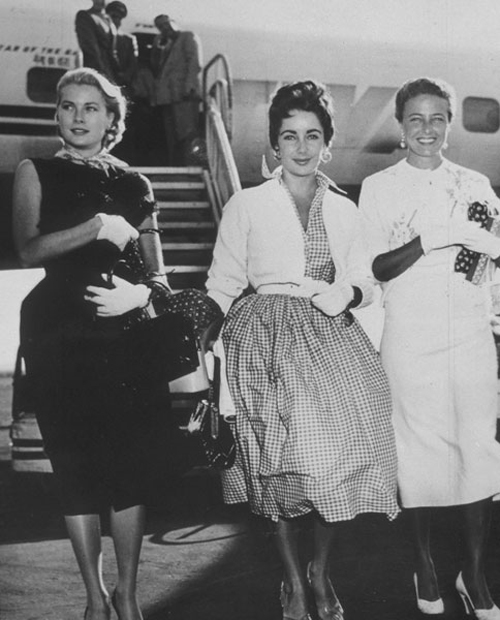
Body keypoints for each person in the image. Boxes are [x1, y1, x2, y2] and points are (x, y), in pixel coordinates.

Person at [205, 80, 399, 620]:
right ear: (274, 144)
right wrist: (205, 344)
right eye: (289, 135)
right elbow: (222, 283)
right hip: (262, 342)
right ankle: (293, 580)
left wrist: (348, 293)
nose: (301, 147)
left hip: (328, 335)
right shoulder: (247, 204)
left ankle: (320, 569)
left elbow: (367, 280)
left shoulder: (344, 208)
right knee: (277, 466)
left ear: (327, 144)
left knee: (329, 464)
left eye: (313, 135)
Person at [12, 67, 189, 620]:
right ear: (57, 114)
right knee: (76, 470)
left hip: (126, 336)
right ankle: (94, 597)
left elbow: (159, 275)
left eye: (91, 107)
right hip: (59, 336)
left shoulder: (137, 183)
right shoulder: (35, 170)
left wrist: (141, 296)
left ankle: (128, 594)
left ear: (112, 118)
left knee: (129, 471)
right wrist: (94, 227)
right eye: (68, 106)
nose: (78, 116)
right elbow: (28, 249)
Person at [359, 77, 500, 619]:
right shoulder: (379, 186)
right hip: (410, 334)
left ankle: (475, 574)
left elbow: (487, 260)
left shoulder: (475, 182)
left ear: (449, 123)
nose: (426, 129)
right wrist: (430, 238)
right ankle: (424, 564)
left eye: (437, 118)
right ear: (400, 125)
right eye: (415, 118)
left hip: (468, 331)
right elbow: (377, 268)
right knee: (416, 455)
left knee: (476, 452)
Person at [151, 14, 202, 165]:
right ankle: (176, 164)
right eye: (161, 27)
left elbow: (194, 62)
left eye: (166, 24)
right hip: (168, 96)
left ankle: (189, 164)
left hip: (184, 94)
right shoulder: (165, 45)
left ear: (174, 22)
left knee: (187, 132)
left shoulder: (187, 36)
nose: (165, 28)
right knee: (172, 135)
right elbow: (156, 68)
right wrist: (157, 48)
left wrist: (190, 87)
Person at [75, 0, 119, 83]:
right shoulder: (85, 16)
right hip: (95, 70)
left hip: (109, 71)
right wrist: (101, 72)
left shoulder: (108, 19)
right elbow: (90, 47)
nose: (101, 1)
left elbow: (112, 50)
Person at [105, 1, 137, 93]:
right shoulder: (99, 37)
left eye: (119, 18)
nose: (115, 21)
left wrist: (124, 77)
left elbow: (133, 63)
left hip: (121, 83)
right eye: (113, 16)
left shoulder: (128, 39)